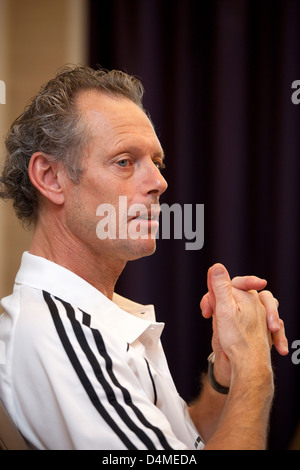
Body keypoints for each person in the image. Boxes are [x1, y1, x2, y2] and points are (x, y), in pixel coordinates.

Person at [0, 65, 288, 450]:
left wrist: (228, 372)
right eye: (124, 161)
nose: (159, 182)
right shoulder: (61, 336)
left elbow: (178, 445)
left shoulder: (97, 314)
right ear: (51, 178)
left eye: (157, 162)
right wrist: (256, 368)